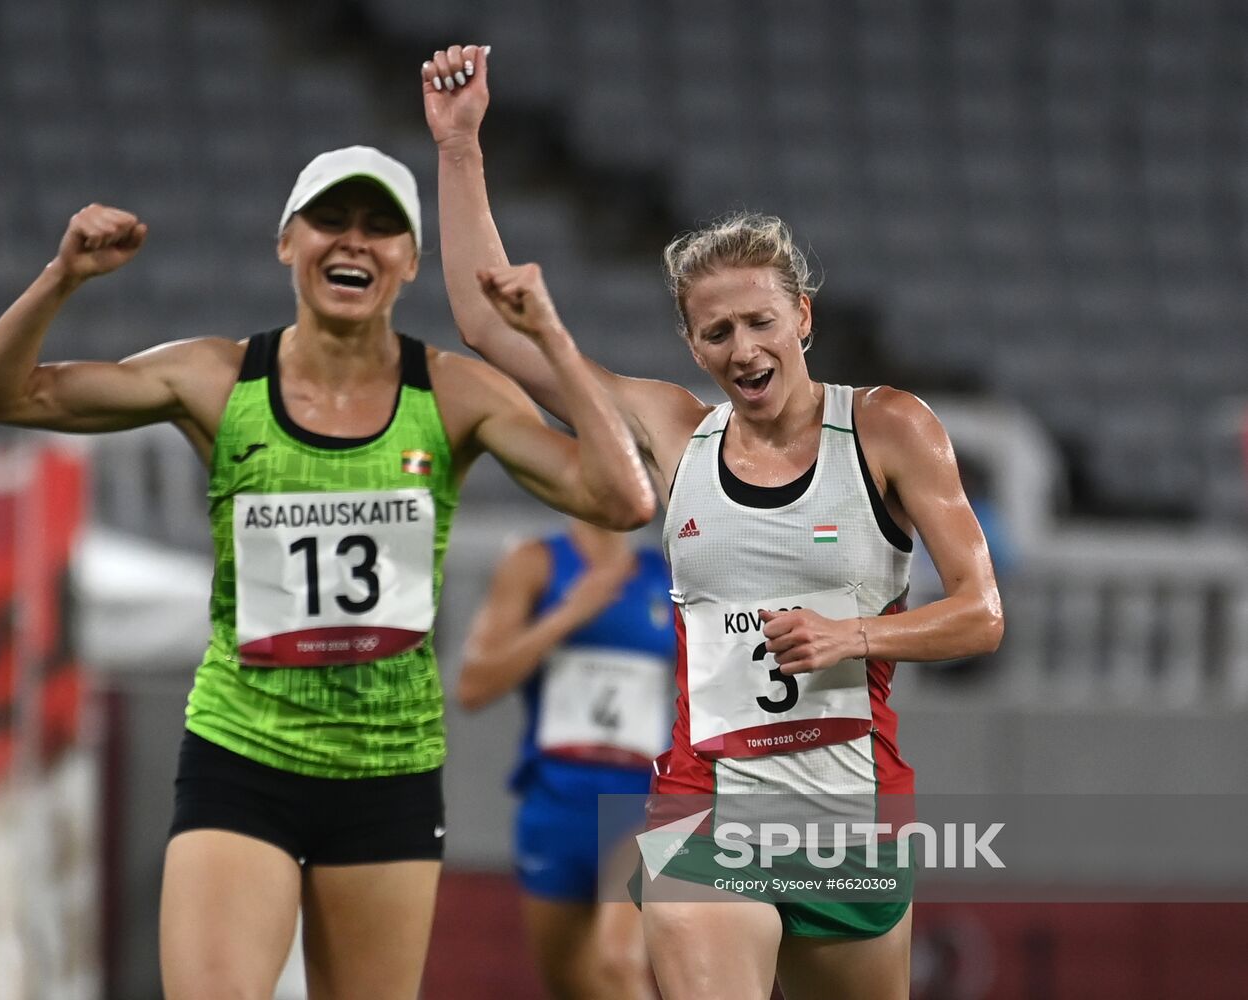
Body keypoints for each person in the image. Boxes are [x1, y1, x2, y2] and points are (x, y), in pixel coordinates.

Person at [0, 144, 655, 1000]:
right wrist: (62, 277)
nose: (353, 242)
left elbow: (622, 500)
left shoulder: (456, 394)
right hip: (244, 751)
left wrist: (549, 336)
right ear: (287, 241)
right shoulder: (215, 377)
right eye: (331, 221)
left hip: (387, 770)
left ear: (410, 263)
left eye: (380, 228)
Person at [423, 45, 1004, 1000]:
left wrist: (850, 633)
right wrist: (458, 148)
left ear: (802, 318)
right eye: (716, 332)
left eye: (760, 322)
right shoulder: (674, 431)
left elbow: (982, 613)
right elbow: (490, 329)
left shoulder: (890, 428)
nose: (743, 348)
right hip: (708, 802)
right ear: (691, 343)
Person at [457, 517, 673, 999]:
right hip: (557, 799)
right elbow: (474, 685)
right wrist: (569, 614)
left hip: (647, 805)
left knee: (618, 960)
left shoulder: (669, 571)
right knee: (573, 982)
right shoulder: (536, 563)